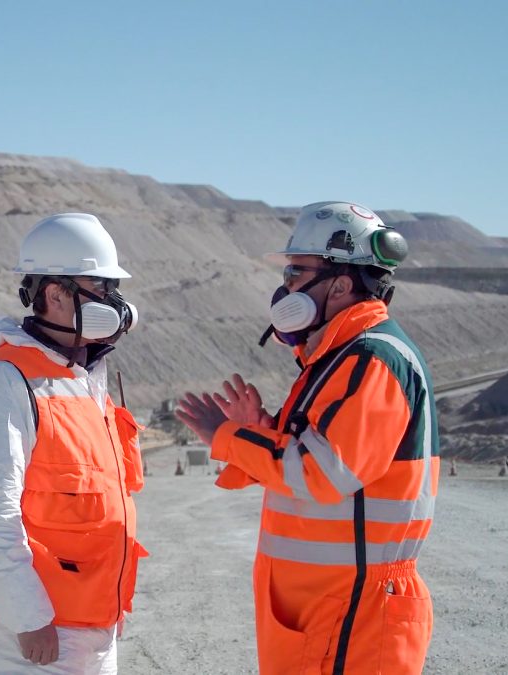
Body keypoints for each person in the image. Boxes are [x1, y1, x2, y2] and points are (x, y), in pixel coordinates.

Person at [176, 201, 438, 674]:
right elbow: (317, 455)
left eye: (297, 271)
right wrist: (262, 431)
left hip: (353, 613)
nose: (286, 286)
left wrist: (230, 437)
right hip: (329, 608)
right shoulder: (335, 359)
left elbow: (322, 473)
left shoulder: (372, 360)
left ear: (340, 284)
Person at [0, 213, 149, 673]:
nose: (115, 303)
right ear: (56, 295)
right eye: (101, 288)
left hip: (89, 620)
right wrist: (27, 616)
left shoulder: (84, 378)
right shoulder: (6, 379)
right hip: (32, 632)